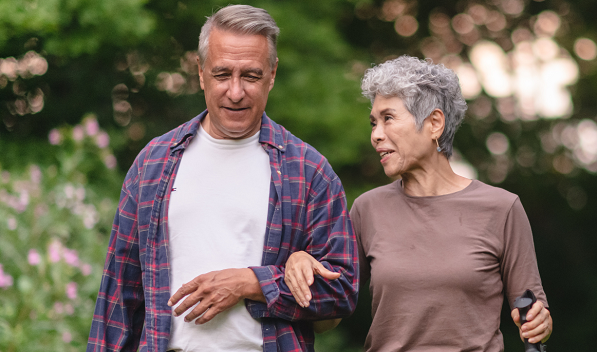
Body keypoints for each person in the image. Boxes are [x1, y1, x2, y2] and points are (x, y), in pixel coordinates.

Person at [86, 5, 357, 352]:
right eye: (222, 74)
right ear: (200, 73)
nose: (235, 92)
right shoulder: (153, 163)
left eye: (251, 76)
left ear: (272, 75)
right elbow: (118, 297)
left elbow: (342, 290)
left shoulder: (309, 171)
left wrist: (251, 282)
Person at [284, 55, 552, 351]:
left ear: (434, 123)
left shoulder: (502, 208)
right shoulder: (367, 209)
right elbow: (326, 317)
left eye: (388, 118)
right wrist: (300, 263)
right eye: (373, 122)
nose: (375, 135)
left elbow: (534, 316)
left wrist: (541, 323)